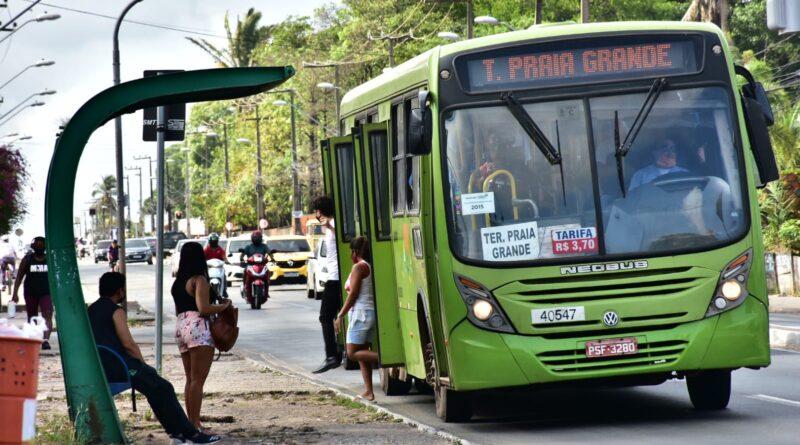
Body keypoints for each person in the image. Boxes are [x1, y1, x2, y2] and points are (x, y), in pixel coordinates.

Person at [88, 272, 221, 444]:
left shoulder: (91, 309)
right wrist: (143, 365)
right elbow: (128, 344)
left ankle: (178, 434)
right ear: (119, 291)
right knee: (164, 387)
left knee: (156, 388)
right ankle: (191, 434)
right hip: (119, 365)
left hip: (101, 363)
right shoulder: (116, 311)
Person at [171, 242, 231, 432]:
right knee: (198, 380)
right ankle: (195, 424)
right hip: (198, 327)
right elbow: (203, 308)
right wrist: (224, 307)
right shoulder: (199, 280)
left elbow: (178, 309)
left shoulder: (178, 282)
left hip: (181, 326)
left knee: (190, 379)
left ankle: (190, 422)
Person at [334, 236, 378, 400]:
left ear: (354, 252)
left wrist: (340, 315)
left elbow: (353, 295)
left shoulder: (358, 267)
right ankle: (369, 391)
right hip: (367, 314)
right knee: (362, 354)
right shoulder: (367, 266)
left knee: (352, 353)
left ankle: (385, 360)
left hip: (361, 315)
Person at [311, 196, 342, 374]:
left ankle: (332, 356)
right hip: (333, 276)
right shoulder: (330, 225)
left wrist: (330, 227)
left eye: (317, 210)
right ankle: (336, 352)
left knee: (325, 316)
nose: (316, 214)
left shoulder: (335, 225)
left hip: (335, 278)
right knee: (333, 316)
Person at [11, 237, 54, 349]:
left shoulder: (50, 259)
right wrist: (15, 293)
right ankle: (33, 339)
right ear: (33, 247)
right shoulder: (27, 259)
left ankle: (45, 340)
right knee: (32, 316)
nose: (39, 247)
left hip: (46, 292)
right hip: (30, 292)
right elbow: (19, 277)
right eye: (37, 245)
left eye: (42, 245)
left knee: (48, 314)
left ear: (45, 247)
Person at [239, 230, 269, 303]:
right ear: (252, 238)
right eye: (255, 237)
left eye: (258, 237)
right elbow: (243, 254)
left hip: (261, 266)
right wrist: (241, 258)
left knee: (268, 271)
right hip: (250, 266)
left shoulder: (264, 246)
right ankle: (245, 287)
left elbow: (269, 252)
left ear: (261, 238)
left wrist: (272, 255)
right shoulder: (248, 247)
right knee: (244, 271)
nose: (257, 239)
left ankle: (266, 290)